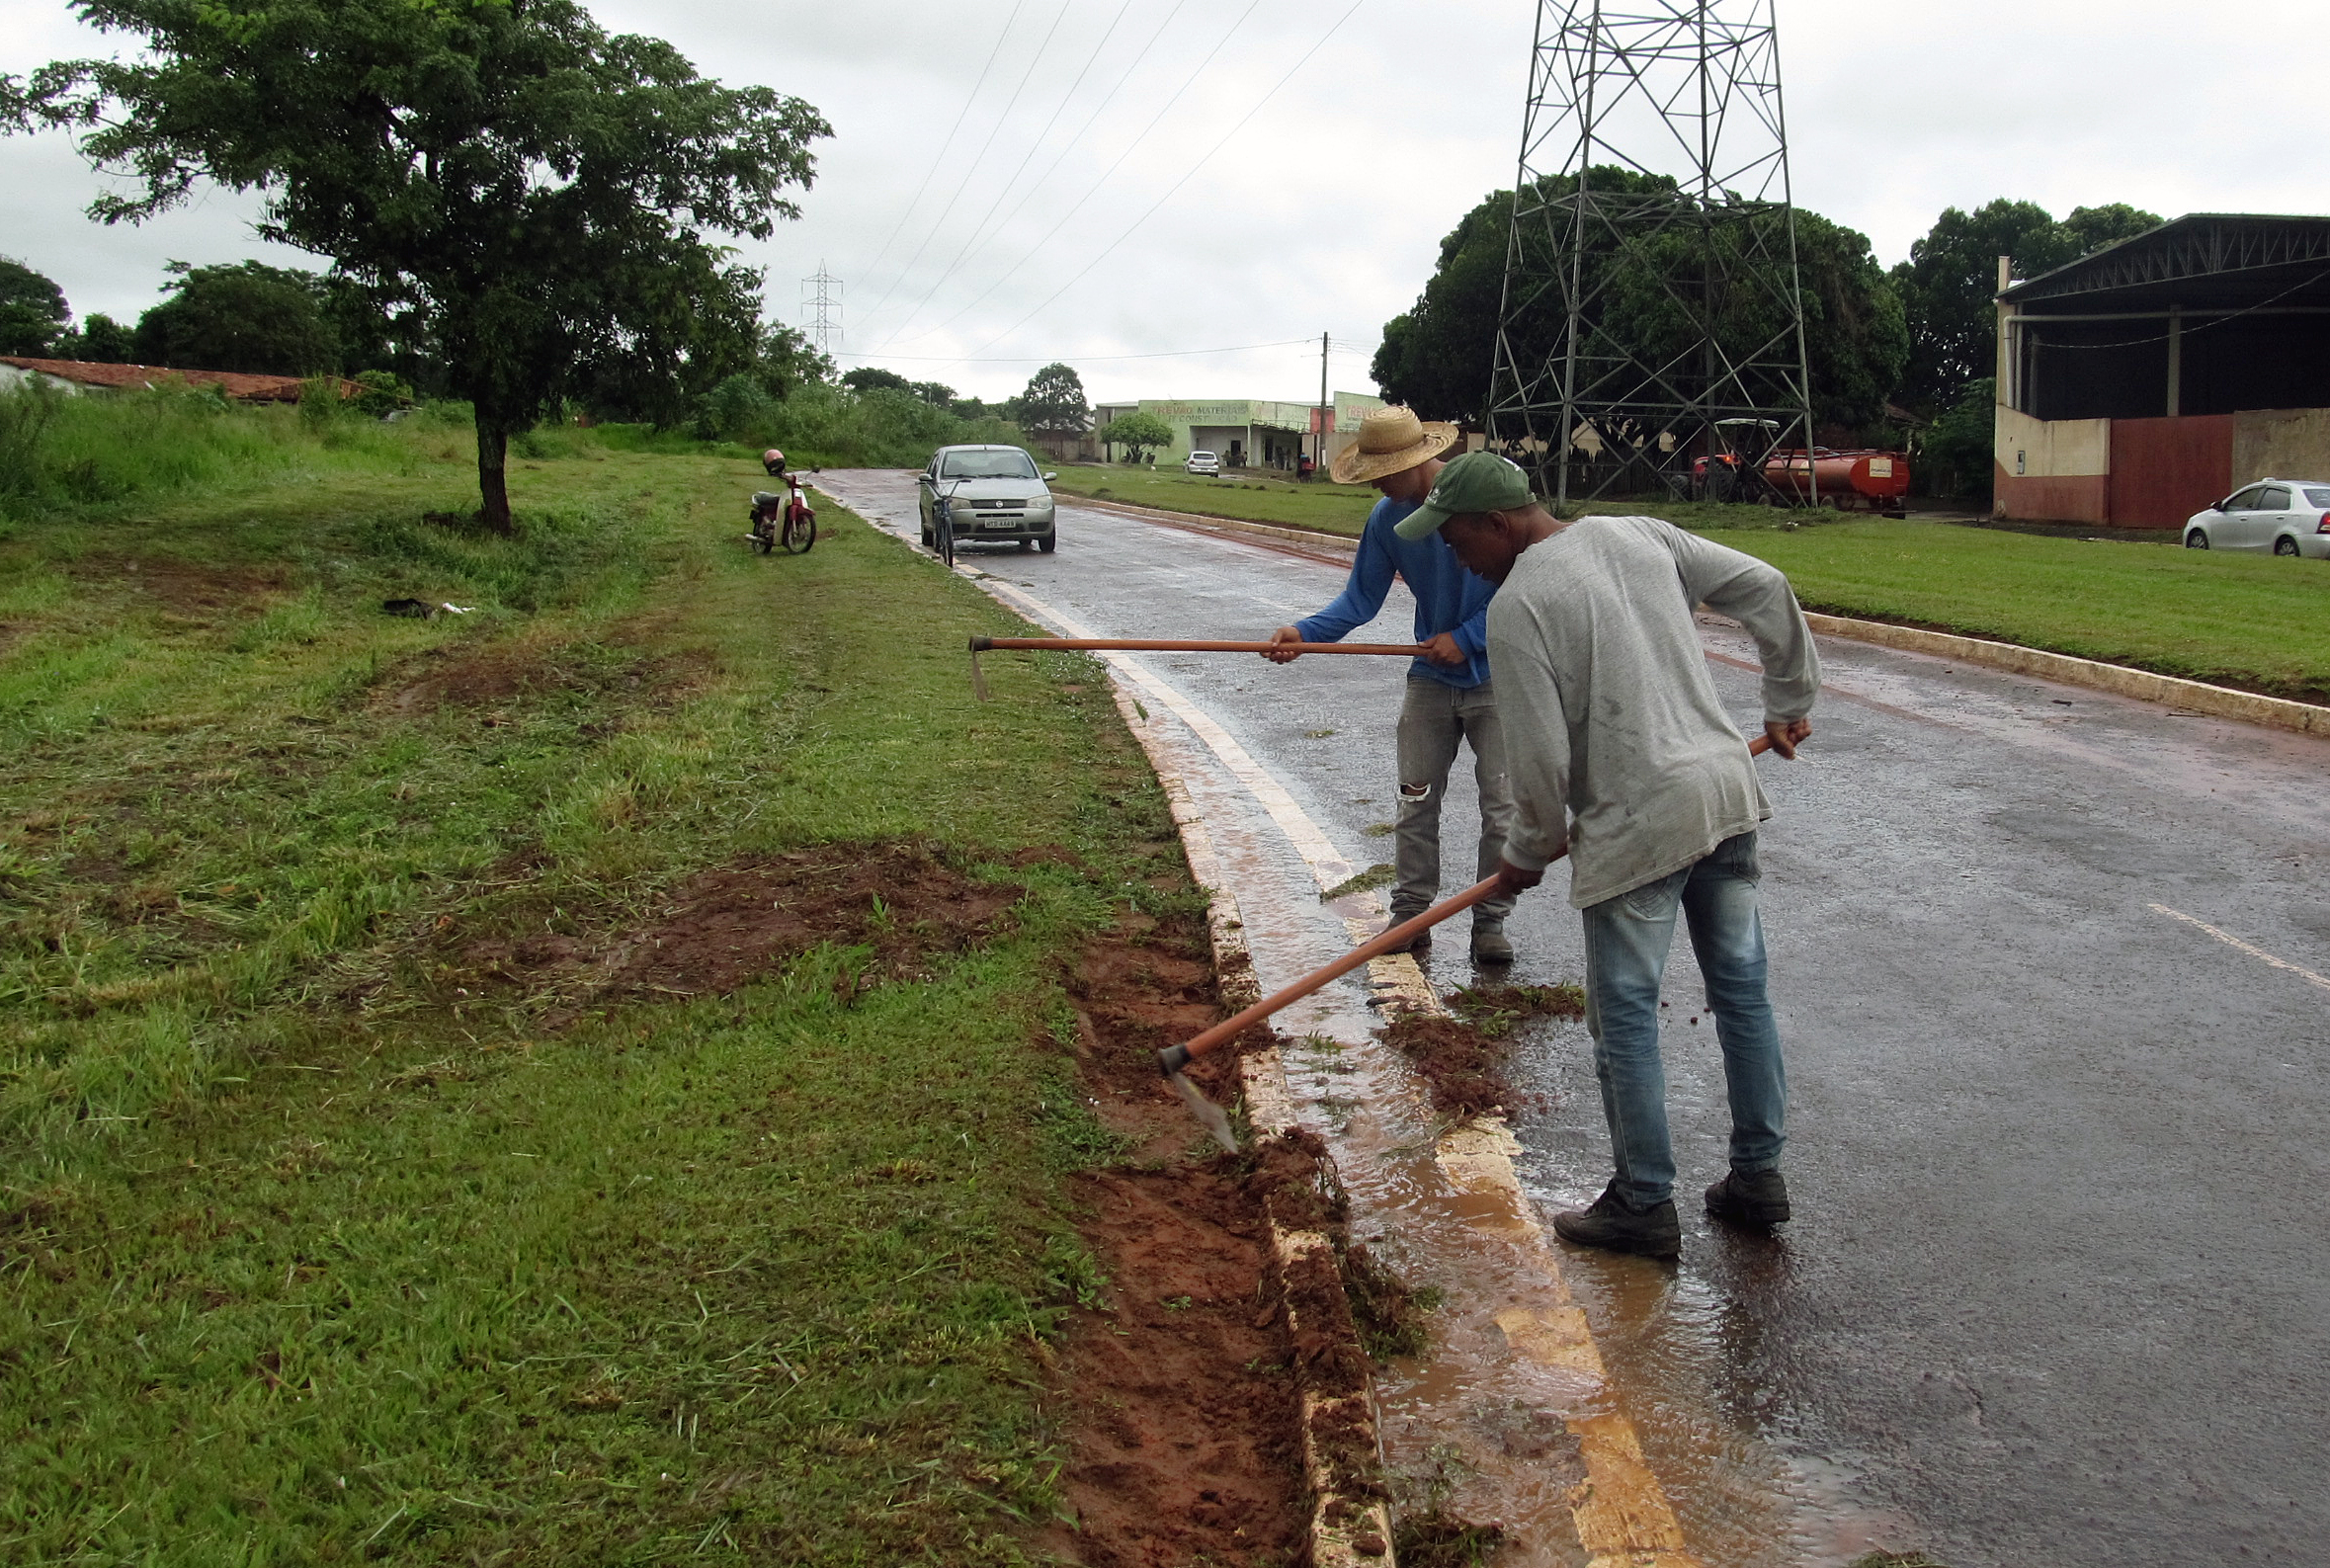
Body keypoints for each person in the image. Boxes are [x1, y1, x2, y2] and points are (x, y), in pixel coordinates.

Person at [1390, 451, 1818, 1258]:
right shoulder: (1642, 533)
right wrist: (1790, 701)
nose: (1451, 557)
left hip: (1639, 823)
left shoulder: (1519, 607)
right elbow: (1765, 585)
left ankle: (1642, 1201)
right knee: (1742, 992)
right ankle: (1758, 1178)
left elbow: (1542, 767)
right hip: (1723, 795)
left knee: (1623, 1013)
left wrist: (1527, 851)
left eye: (1454, 540)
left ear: (1496, 522)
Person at [1262, 407, 1517, 963]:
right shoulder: (1385, 519)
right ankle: (1411, 916)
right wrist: (1303, 635)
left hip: (1500, 677)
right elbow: (1360, 600)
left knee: (1502, 808)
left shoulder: (1478, 499)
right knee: (1415, 798)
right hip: (1430, 675)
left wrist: (1468, 637)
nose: (1376, 484)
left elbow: (1521, 585)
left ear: (1418, 461)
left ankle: (1490, 922)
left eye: (1383, 472)